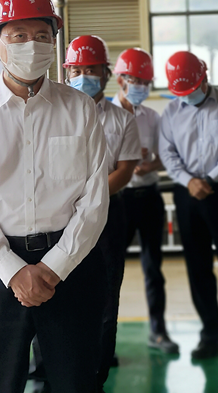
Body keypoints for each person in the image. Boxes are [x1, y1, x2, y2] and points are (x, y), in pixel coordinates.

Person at [0, 0, 109, 393]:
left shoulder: (80, 109)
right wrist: (13, 271)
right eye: (18, 35)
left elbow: (94, 201)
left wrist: (53, 268)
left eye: (41, 35)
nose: (31, 45)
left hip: (70, 265)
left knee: (76, 382)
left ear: (54, 42)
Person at [159, 51, 218, 360]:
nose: (188, 96)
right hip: (187, 193)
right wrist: (189, 181)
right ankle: (209, 336)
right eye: (182, 92)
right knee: (197, 267)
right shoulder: (170, 112)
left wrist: (210, 178)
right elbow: (168, 153)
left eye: (192, 89)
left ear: (205, 77)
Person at [64, 35, 141, 390]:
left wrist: (87, 198)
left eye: (91, 70)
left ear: (107, 74)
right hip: (60, 216)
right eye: (76, 70)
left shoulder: (123, 120)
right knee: (58, 290)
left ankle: (98, 367)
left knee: (106, 291)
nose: (84, 77)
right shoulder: (54, 114)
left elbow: (124, 171)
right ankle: (49, 364)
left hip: (108, 214)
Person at [111, 48, 179, 355]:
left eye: (145, 82)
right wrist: (123, 167)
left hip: (149, 198)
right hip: (119, 200)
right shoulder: (104, 114)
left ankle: (158, 332)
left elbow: (166, 157)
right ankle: (105, 340)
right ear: (120, 80)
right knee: (111, 270)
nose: (140, 86)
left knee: (153, 268)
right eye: (135, 80)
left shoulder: (152, 118)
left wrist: (150, 165)